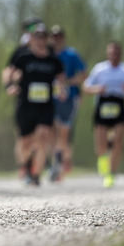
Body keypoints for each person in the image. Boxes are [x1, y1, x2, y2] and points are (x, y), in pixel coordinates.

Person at [5, 22, 65, 186]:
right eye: (36, 37)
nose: (40, 40)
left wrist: (61, 90)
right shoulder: (23, 57)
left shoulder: (53, 60)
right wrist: (10, 86)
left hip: (45, 107)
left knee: (42, 137)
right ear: (32, 39)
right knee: (25, 143)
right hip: (25, 106)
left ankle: (36, 174)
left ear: (47, 39)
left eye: (43, 37)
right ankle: (26, 166)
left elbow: (61, 79)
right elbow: (9, 72)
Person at [83, 41, 124, 188]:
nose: (113, 56)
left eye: (116, 53)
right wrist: (97, 89)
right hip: (103, 104)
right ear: (107, 54)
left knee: (118, 141)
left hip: (119, 104)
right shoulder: (99, 69)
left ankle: (111, 173)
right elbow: (86, 87)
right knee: (101, 143)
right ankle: (103, 165)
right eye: (111, 53)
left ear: (120, 54)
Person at [49, 25, 87, 180]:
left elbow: (84, 74)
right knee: (52, 132)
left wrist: (69, 82)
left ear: (63, 38)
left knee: (64, 133)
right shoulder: (47, 53)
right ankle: (54, 163)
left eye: (59, 36)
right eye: (54, 36)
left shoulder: (72, 54)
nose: (56, 39)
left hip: (69, 98)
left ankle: (60, 162)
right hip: (50, 98)